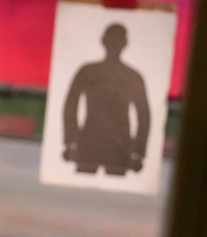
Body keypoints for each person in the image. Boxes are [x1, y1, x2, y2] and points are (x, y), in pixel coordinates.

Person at [62, 22, 151, 176]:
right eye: (113, 40)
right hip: (94, 143)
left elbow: (144, 116)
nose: (114, 44)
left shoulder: (130, 76)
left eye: (117, 40)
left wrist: (139, 151)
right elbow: (71, 105)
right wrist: (70, 141)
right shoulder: (89, 71)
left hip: (115, 146)